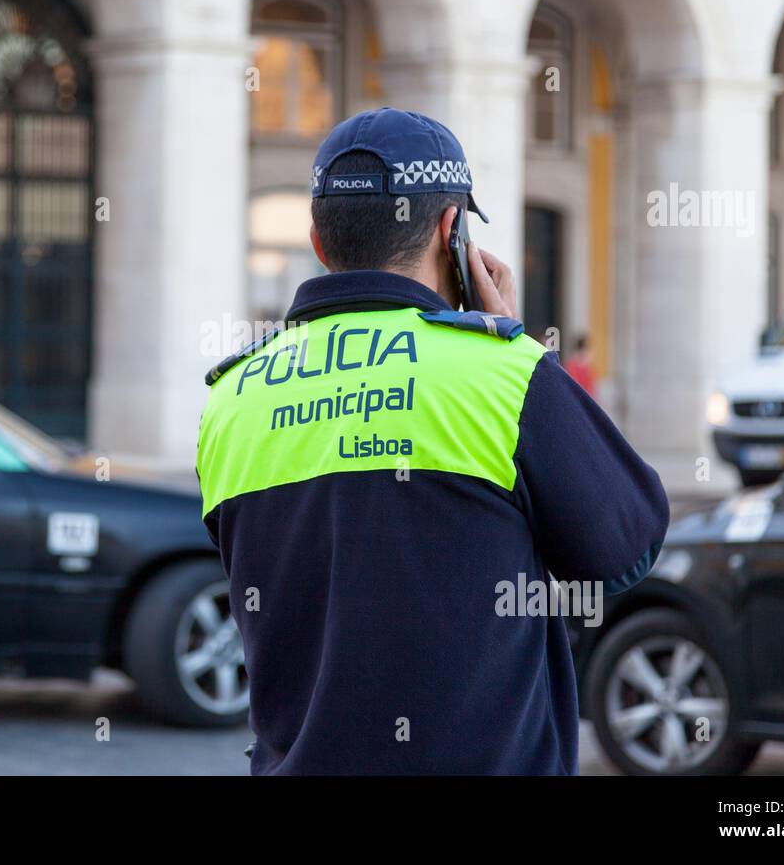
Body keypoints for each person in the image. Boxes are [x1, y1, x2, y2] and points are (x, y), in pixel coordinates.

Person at [195, 108, 669, 775]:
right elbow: (626, 545)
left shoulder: (233, 397)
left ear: (320, 243)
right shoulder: (501, 373)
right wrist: (521, 349)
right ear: (453, 234)